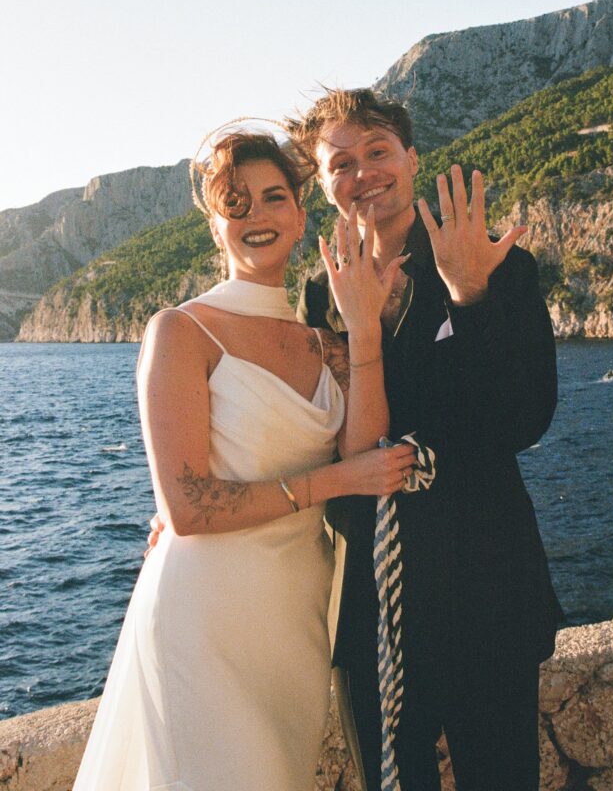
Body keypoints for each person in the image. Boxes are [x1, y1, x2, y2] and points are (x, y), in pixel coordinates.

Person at [73, 127, 418, 791]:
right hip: (203, 614)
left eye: (273, 198)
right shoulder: (180, 331)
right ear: (214, 226)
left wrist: (364, 327)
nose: (257, 216)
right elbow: (188, 509)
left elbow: (362, 448)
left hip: (294, 618)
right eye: (237, 204)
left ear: (299, 213)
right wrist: (335, 481)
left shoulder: (326, 342)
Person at [288, 88, 565, 791]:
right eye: (340, 163)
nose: (363, 174)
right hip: (373, 602)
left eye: (376, 151)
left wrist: (469, 298)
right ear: (322, 185)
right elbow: (310, 437)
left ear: (411, 158)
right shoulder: (319, 298)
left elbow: (524, 419)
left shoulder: (494, 262)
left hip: (486, 587)